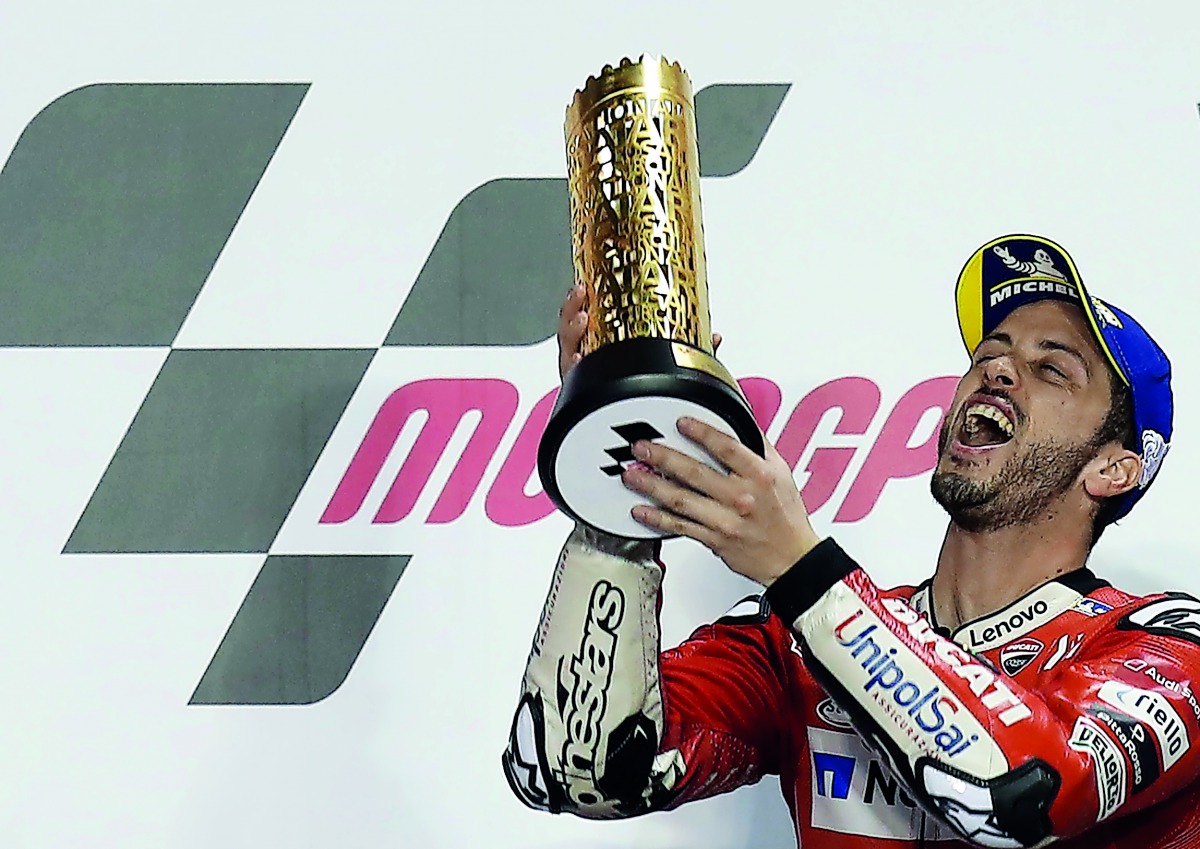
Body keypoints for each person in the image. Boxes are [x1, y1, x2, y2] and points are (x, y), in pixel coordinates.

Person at [501, 234, 1199, 848]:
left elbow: (1020, 794)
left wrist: (800, 567)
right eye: (991, 351)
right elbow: (578, 769)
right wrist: (621, 492)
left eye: (1053, 369)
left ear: (1114, 467)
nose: (998, 368)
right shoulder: (794, 642)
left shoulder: (1169, 647)